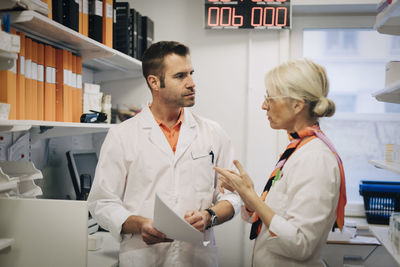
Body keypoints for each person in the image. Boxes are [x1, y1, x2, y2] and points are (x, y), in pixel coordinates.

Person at [87, 41, 240, 267]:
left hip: (196, 257)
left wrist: (209, 216)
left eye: (191, 73)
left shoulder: (213, 133)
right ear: (154, 82)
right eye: (180, 76)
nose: (192, 83)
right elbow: (102, 202)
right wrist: (139, 224)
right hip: (143, 257)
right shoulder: (122, 135)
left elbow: (233, 195)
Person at [215, 58, 346, 267]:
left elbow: (301, 244)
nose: (264, 105)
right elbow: (278, 217)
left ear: (297, 105)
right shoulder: (298, 149)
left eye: (270, 97)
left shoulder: (316, 159)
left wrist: (253, 199)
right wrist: (247, 195)